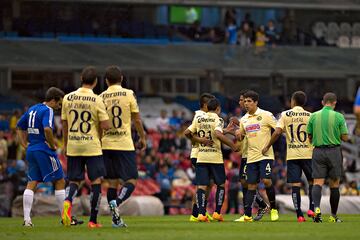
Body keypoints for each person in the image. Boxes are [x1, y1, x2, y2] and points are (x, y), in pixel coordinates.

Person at [61, 66, 110, 228]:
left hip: (73, 144)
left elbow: (65, 123)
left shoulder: (67, 98)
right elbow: (106, 125)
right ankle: (93, 220)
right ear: (96, 82)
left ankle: (67, 202)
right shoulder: (97, 99)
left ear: (81, 78)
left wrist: (66, 143)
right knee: (96, 181)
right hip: (92, 145)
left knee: (74, 180)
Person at [100, 65, 146, 227]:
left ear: (106, 81)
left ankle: (116, 220)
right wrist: (142, 137)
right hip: (124, 144)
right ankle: (117, 202)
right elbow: (137, 119)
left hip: (106, 144)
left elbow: (99, 124)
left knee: (112, 182)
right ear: (121, 79)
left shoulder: (101, 97)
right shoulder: (128, 94)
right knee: (131, 180)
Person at [16, 87, 66, 227]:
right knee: (60, 180)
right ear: (52, 100)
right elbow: (47, 129)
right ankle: (65, 218)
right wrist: (52, 145)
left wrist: (24, 144)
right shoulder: (48, 110)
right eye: (58, 103)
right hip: (43, 149)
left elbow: (19, 127)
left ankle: (27, 219)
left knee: (31, 183)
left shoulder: (32, 108)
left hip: (31, 149)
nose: (58, 107)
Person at [262, 91, 314, 222]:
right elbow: (313, 135)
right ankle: (312, 209)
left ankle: (299, 215)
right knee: (313, 182)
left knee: (295, 185)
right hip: (308, 154)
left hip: (293, 155)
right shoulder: (310, 116)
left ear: (293, 101)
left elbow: (278, 132)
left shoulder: (285, 115)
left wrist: (268, 146)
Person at [188, 98, 240, 222]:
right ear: (218, 109)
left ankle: (200, 214)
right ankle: (217, 212)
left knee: (201, 186)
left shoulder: (198, 118)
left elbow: (187, 133)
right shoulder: (218, 119)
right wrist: (232, 145)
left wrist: (200, 140)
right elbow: (217, 134)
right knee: (220, 185)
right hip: (215, 158)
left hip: (201, 157)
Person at [235, 90, 279, 222]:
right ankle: (248, 215)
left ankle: (274, 209)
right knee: (251, 185)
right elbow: (242, 137)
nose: (246, 104)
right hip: (251, 157)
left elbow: (278, 130)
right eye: (245, 101)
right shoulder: (243, 119)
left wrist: (268, 145)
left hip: (265, 155)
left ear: (256, 103)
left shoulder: (266, 115)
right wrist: (237, 134)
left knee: (266, 181)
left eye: (249, 101)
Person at [307, 92, 348, 223]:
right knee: (334, 184)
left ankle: (317, 210)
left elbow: (309, 137)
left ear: (322, 102)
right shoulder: (339, 116)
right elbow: (345, 137)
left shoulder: (313, 116)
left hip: (318, 151)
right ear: (335, 103)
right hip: (334, 151)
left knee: (317, 182)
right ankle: (333, 216)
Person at [184, 93, 215, 222]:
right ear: (205, 105)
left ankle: (201, 211)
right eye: (211, 104)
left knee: (209, 184)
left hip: (204, 154)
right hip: (198, 154)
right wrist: (201, 139)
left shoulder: (205, 116)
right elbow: (189, 134)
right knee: (202, 185)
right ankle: (195, 213)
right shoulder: (200, 116)